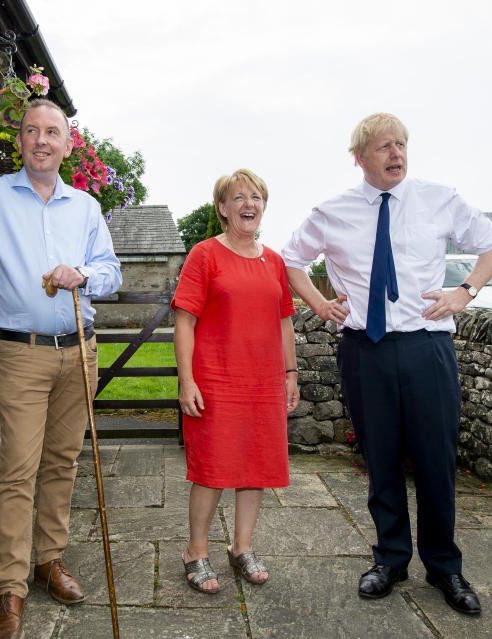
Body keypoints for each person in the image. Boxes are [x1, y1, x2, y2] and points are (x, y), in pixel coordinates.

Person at [282, 113, 492, 615]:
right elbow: (289, 259)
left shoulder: (438, 198)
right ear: (359, 157)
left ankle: (445, 567)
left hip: (427, 347)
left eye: (401, 144)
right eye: (384, 146)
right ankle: (390, 558)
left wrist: (465, 291)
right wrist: (319, 305)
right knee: (380, 459)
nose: (396, 154)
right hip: (366, 350)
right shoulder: (332, 211)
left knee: (435, 460)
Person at [0, 98, 122, 639]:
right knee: (18, 469)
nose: (42, 140)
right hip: (22, 353)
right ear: (18, 141)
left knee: (62, 463)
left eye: (53, 132)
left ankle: (49, 561)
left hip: (78, 352)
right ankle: (10, 589)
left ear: (68, 144)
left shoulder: (85, 207)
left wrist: (83, 273)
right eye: (32, 131)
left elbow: (109, 271)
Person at [171, 169, 299, 594]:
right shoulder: (204, 255)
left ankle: (241, 546)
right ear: (223, 209)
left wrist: (290, 375)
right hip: (217, 382)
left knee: (256, 466)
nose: (250, 203)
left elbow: (284, 323)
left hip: (263, 383)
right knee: (211, 469)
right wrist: (186, 380)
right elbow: (184, 321)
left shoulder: (275, 262)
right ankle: (196, 549)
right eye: (239, 197)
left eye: (257, 196)